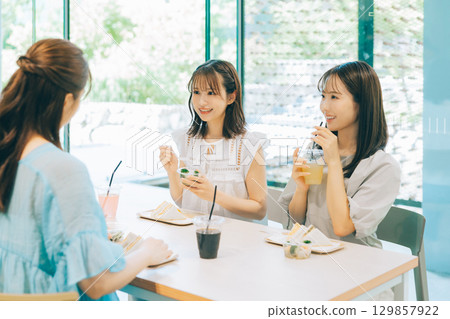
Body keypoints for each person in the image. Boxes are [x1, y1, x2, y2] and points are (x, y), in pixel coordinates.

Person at [0, 38, 171, 301]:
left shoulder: (8, 155)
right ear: (68, 100)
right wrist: (147, 251)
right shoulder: (63, 169)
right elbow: (98, 283)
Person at [279, 61, 401, 248]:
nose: (324, 107)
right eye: (323, 96)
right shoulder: (316, 150)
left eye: (334, 97)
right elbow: (295, 219)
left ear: (362, 103)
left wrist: (334, 161)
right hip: (313, 255)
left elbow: (342, 227)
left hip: (359, 264)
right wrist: (301, 189)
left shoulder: (384, 167)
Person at [160, 60, 267, 222]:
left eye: (211, 93)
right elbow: (183, 201)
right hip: (194, 235)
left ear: (231, 97)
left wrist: (214, 195)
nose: (202, 102)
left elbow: (259, 209)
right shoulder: (187, 140)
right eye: (196, 92)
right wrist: (172, 172)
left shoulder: (249, 145)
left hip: (237, 239)